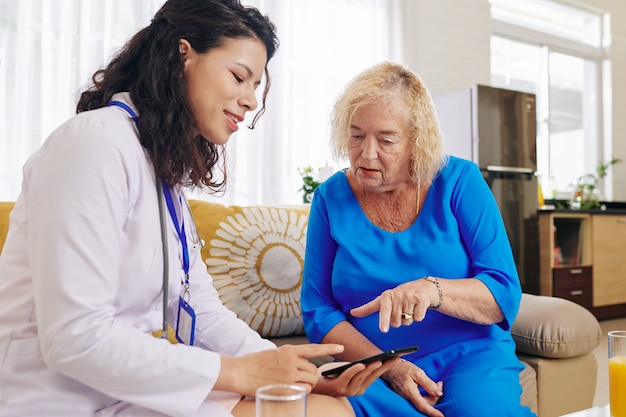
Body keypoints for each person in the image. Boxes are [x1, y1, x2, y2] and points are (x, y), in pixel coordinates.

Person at [0, 1, 396, 416]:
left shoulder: (159, 171)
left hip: (123, 390)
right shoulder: (92, 145)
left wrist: (293, 371)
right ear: (182, 54)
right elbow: (74, 337)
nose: (249, 101)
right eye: (239, 77)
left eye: (256, 86)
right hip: (56, 398)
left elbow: (200, 309)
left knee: (316, 402)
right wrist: (237, 374)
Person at [300, 61, 537, 417]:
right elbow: (317, 310)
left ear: (416, 140)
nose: (366, 153)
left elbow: (502, 293)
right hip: (371, 366)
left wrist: (433, 290)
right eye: (356, 135)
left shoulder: (460, 182)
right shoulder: (329, 199)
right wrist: (389, 366)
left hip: (468, 353)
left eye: (386, 139)